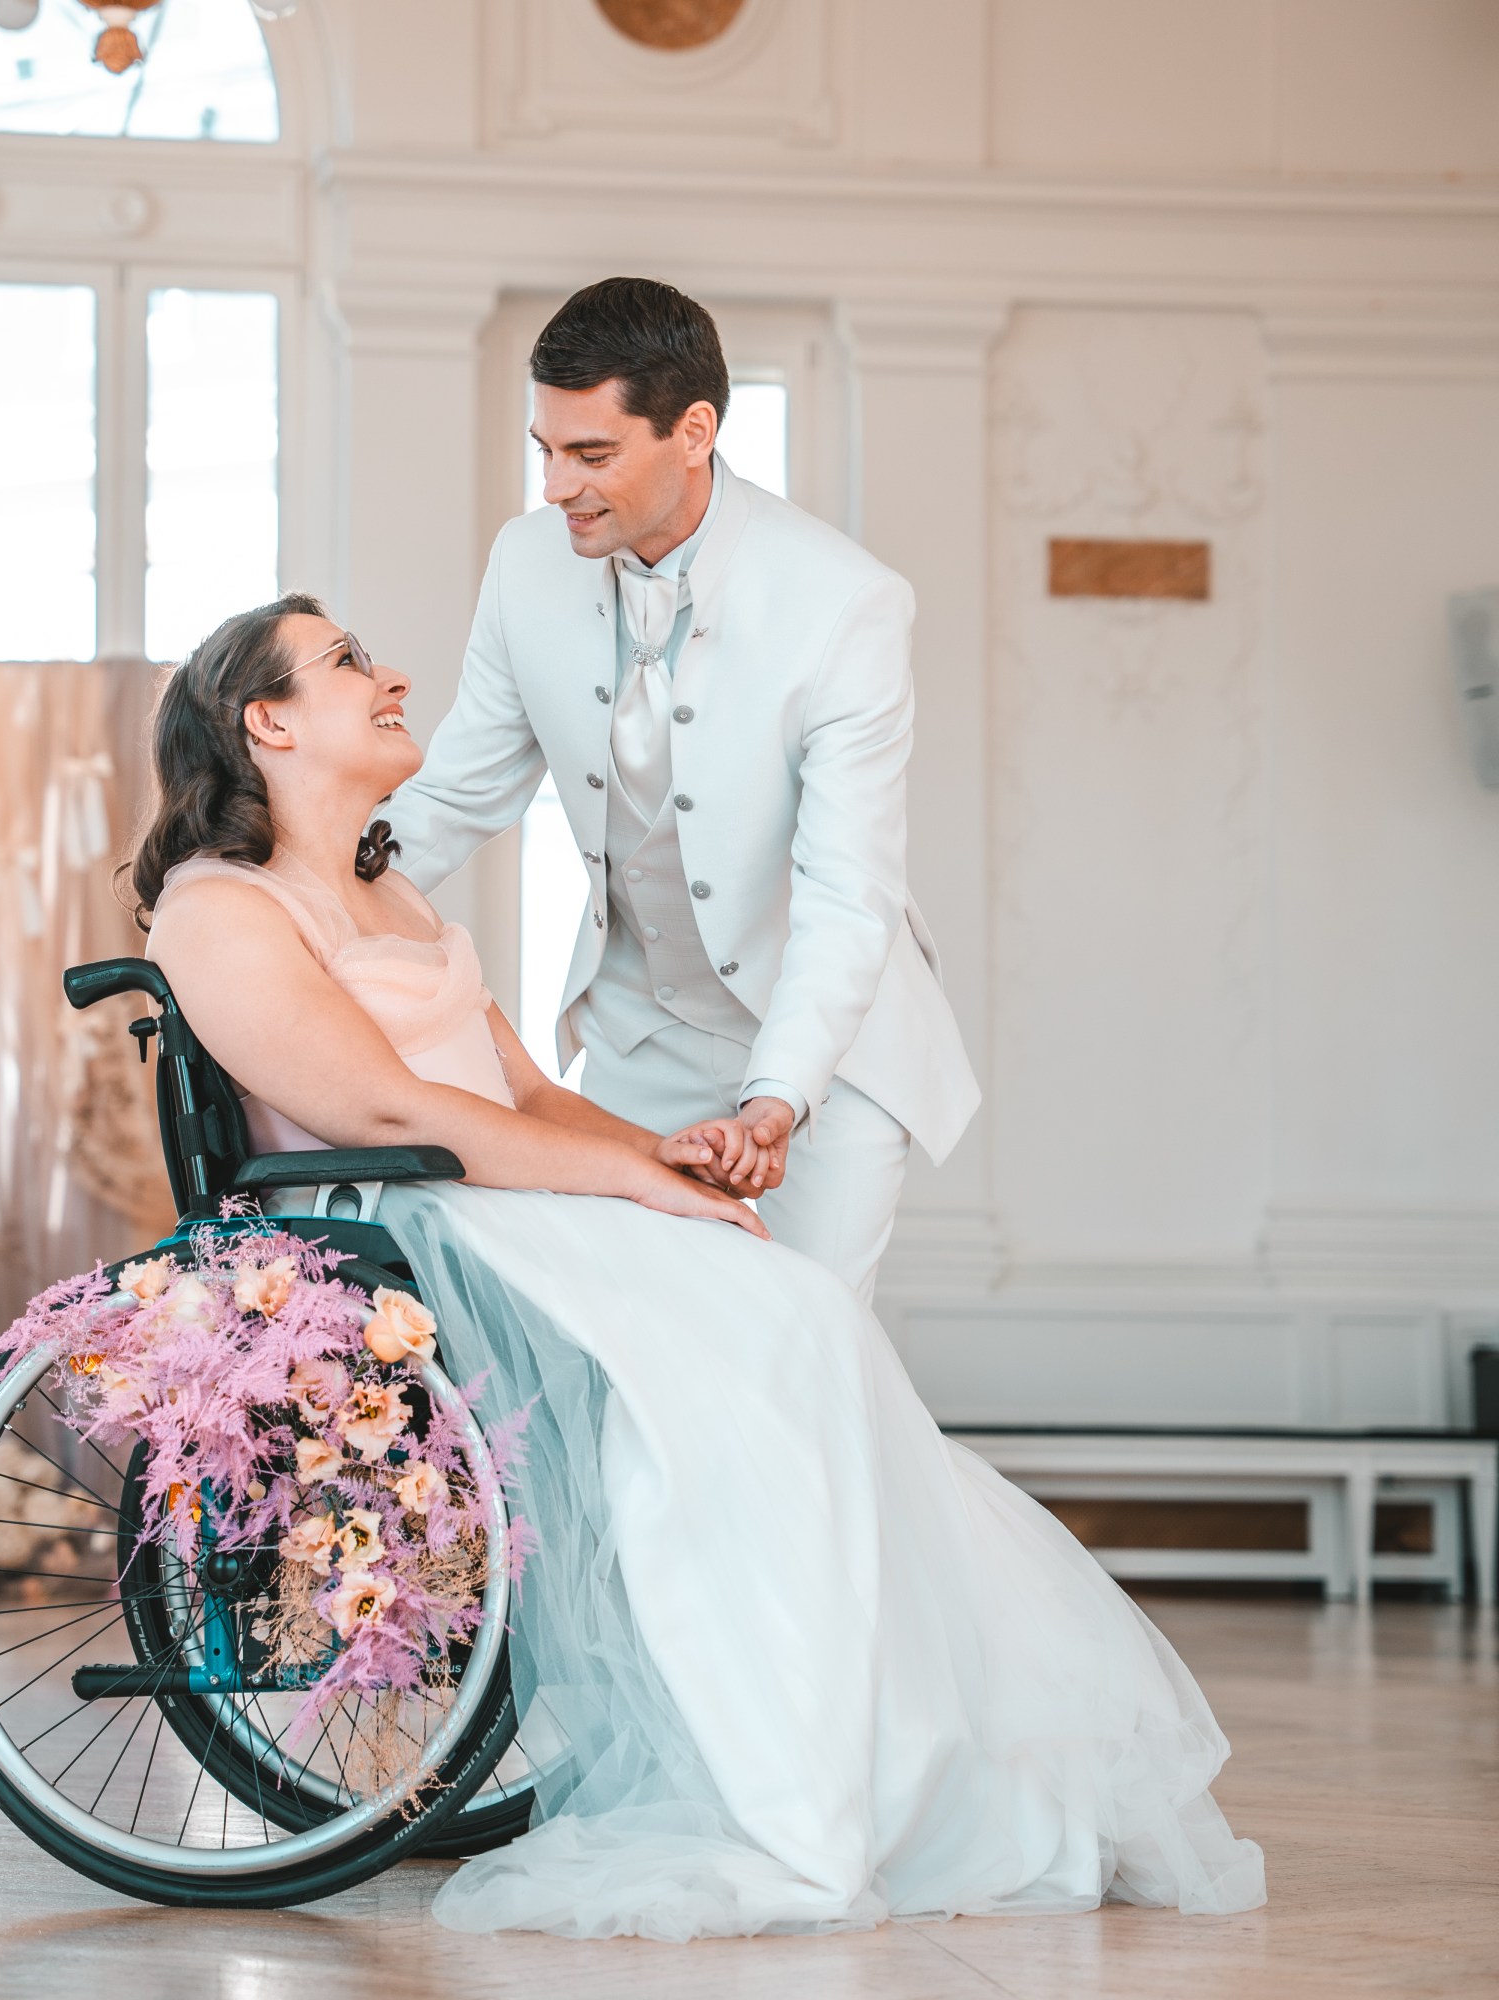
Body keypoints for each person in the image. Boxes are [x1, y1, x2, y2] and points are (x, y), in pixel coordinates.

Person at [133, 596, 1266, 1942]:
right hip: (398, 1222)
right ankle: (787, 1795)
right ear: (267, 720)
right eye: (348, 665)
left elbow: (520, 1094)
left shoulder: (388, 890)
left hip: (485, 1194)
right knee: (760, 1346)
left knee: (802, 1323)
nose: (394, 678)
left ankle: (879, 1766)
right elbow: (385, 1111)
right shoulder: (219, 907)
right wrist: (623, 1185)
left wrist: (666, 1161)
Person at [386, 277, 980, 1303]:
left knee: (797, 1351)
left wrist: (773, 1099)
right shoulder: (524, 565)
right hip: (636, 1039)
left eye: (592, 454)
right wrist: (292, 894)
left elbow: (846, 893)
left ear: (693, 430)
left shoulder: (845, 604)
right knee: (640, 1357)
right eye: (545, 449)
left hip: (821, 1064)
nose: (555, 487)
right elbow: (457, 793)